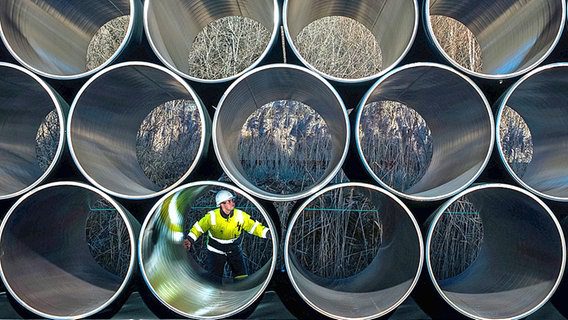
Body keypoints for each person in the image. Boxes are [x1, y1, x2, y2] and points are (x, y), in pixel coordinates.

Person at [183, 190, 271, 281]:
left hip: (233, 249)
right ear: (221, 204)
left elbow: (254, 226)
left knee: (242, 277)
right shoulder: (212, 216)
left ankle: (240, 291)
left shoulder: (240, 215)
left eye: (232, 200)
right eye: (229, 201)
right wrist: (189, 240)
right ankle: (217, 293)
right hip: (215, 251)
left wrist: (268, 233)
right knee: (214, 279)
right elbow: (198, 228)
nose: (232, 203)